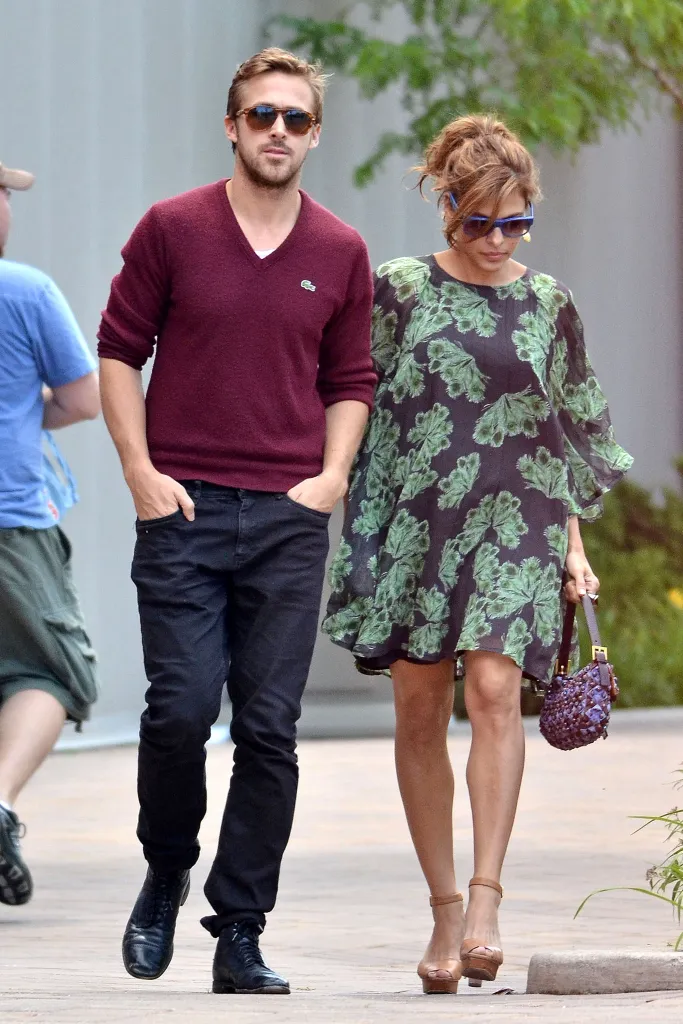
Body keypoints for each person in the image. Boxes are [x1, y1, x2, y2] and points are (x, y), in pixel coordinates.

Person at [323, 114, 633, 995]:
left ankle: (490, 899)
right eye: (478, 222)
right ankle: (444, 909)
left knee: (495, 691)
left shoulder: (549, 305)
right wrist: (336, 482)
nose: (498, 240)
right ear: (445, 209)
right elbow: (349, 391)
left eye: (516, 222)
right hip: (415, 529)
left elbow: (565, 429)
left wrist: (572, 546)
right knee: (419, 712)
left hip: (519, 524)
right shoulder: (398, 291)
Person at [97, 47, 375, 994]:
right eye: (262, 116)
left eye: (295, 119)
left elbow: (350, 380)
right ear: (232, 125)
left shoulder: (339, 250)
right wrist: (137, 469)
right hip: (182, 509)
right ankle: (167, 865)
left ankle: (240, 931)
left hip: (290, 518)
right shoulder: (173, 227)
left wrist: (332, 476)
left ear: (314, 135)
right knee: (178, 713)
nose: (277, 133)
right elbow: (117, 352)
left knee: (268, 730)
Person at [0, 161, 100, 908]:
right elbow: (83, 399)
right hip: (12, 522)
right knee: (53, 672)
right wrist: (32, 408)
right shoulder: (25, 290)